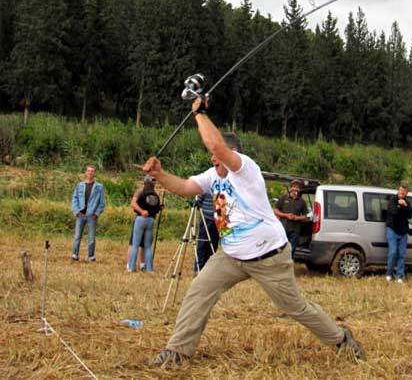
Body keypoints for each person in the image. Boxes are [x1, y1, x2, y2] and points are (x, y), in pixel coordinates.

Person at [143, 96, 365, 367]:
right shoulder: (213, 175)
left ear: (233, 153)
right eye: (212, 157)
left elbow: (215, 144)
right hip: (232, 256)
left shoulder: (245, 169)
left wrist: (199, 113)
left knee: (294, 307)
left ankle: (341, 339)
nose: (213, 158)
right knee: (199, 291)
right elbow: (185, 187)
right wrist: (161, 175)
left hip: (269, 257)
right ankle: (178, 352)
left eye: (218, 155)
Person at [70, 165, 105, 263]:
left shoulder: (99, 187)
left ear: (94, 173)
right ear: (85, 172)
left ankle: (91, 257)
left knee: (91, 238)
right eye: (88, 171)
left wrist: (96, 214)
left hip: (92, 215)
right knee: (77, 236)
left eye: (92, 171)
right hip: (80, 214)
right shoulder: (79, 185)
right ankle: (74, 255)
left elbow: (102, 203)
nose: (90, 173)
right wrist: (76, 211)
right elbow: (74, 198)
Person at [127, 175, 162, 272]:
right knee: (147, 246)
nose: (155, 182)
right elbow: (156, 208)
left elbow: (133, 204)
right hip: (151, 220)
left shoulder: (142, 192)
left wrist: (142, 211)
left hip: (141, 218)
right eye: (153, 180)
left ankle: (131, 267)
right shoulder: (155, 195)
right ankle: (149, 268)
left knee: (135, 244)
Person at [385, 184, 412, 283]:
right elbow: (394, 212)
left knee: (401, 254)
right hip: (392, 230)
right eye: (400, 191)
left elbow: (410, 215)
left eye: (404, 191)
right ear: (398, 191)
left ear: (406, 193)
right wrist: (400, 205)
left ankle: (400, 276)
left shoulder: (407, 203)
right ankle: (389, 273)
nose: (401, 192)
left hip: (403, 232)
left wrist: (404, 205)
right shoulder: (392, 200)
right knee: (393, 252)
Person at [274, 179, 309, 253]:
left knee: (291, 251)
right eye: (294, 186)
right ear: (290, 188)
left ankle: (288, 264)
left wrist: (297, 218)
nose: (295, 189)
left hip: (295, 231)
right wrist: (286, 215)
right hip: (283, 229)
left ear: (299, 189)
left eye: (297, 187)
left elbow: (306, 217)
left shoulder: (302, 202)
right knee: (280, 250)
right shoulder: (283, 198)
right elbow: (275, 211)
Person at [193, 192, 219, 273]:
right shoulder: (205, 187)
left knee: (213, 244)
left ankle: (208, 268)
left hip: (217, 219)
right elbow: (198, 201)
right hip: (205, 218)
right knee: (202, 243)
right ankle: (198, 267)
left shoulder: (222, 186)